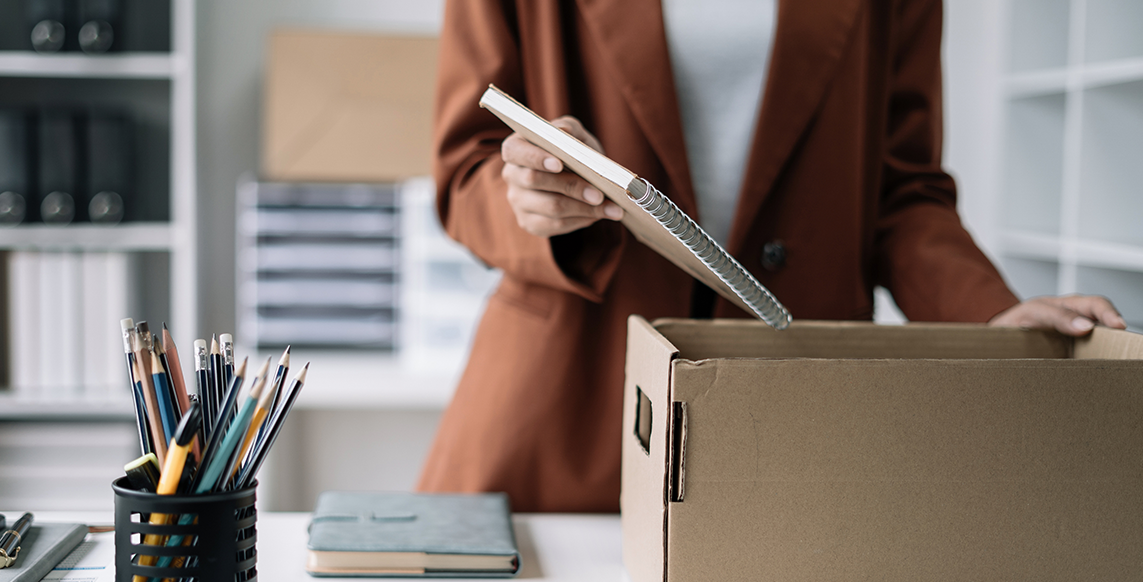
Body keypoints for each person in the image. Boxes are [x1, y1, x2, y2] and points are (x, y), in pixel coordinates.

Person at [416, 0, 1127, 512]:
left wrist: (989, 309)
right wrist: (530, 199)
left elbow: (902, 191)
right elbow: (464, 174)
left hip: (795, 409)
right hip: (567, 399)